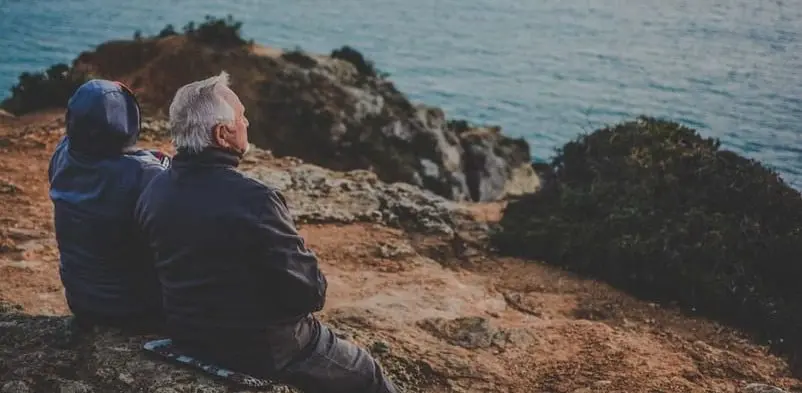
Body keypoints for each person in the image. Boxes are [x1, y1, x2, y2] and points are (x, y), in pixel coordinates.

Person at [134, 71, 400, 393]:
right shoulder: (256, 200)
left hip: (187, 334)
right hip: (264, 350)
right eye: (242, 118)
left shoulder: (154, 189)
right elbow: (310, 293)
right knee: (367, 373)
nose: (247, 124)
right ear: (222, 134)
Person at [48, 79, 170, 333]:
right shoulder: (146, 174)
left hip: (81, 300)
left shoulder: (63, 153)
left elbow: (107, 162)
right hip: (134, 309)